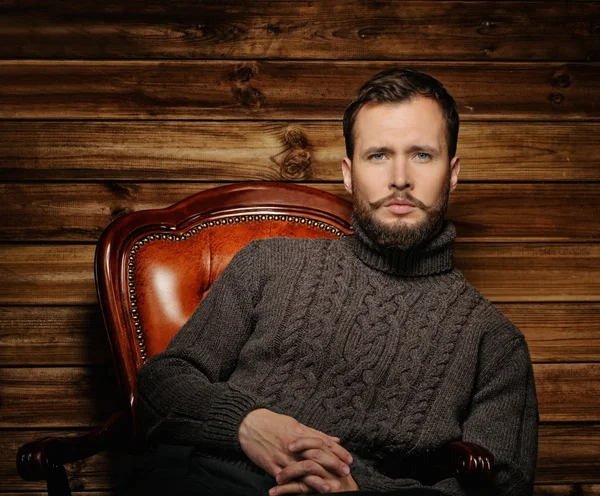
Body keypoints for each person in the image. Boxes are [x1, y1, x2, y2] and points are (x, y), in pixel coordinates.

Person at [131, 68, 538, 496]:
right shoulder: (268, 263)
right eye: (378, 155)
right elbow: (163, 383)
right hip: (208, 478)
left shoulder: (493, 342)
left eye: (422, 155)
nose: (400, 178)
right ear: (348, 173)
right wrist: (246, 424)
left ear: (452, 172)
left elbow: (504, 486)